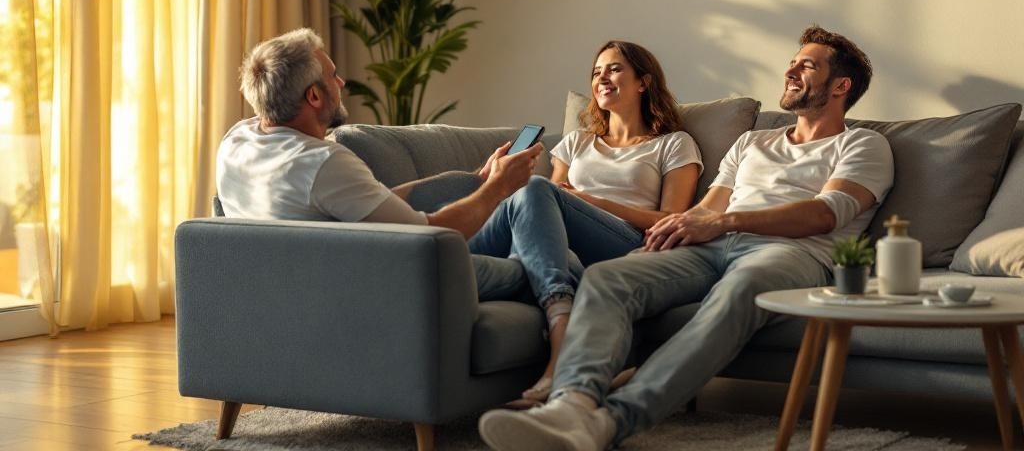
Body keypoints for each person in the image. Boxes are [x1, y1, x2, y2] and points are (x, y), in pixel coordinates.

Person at [477, 25, 895, 451]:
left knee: (739, 290)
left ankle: (611, 421)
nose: (791, 71)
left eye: (806, 65)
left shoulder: (863, 144)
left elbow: (824, 214)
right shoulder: (752, 142)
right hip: (708, 244)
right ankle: (570, 406)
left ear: (841, 85)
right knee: (610, 277)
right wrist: (666, 234)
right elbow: (708, 207)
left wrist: (725, 223)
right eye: (792, 62)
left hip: (789, 252)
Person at [215, 27, 543, 300]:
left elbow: (368, 204)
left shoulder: (235, 141)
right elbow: (428, 238)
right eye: (333, 76)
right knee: (544, 267)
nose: (342, 83)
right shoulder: (322, 162)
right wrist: (499, 187)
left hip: (286, 291)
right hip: (373, 290)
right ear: (313, 96)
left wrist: (478, 181)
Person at [469, 40, 702, 404]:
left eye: (614, 69)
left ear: (643, 82)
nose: (602, 78)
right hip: (563, 240)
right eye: (596, 72)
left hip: (625, 241)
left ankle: (559, 338)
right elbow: (554, 195)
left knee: (536, 190)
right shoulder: (578, 141)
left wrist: (591, 200)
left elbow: (672, 219)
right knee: (529, 199)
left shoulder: (673, 144)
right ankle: (560, 307)